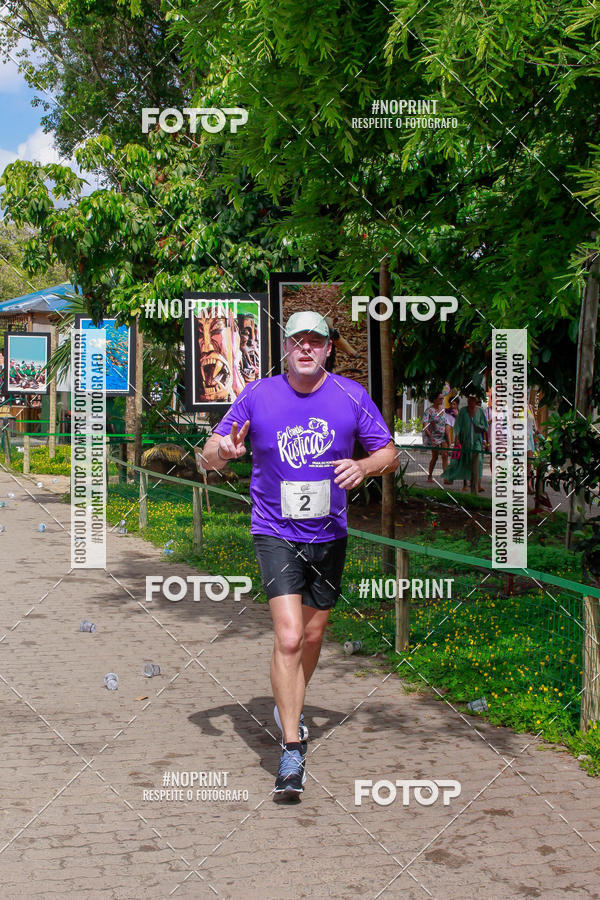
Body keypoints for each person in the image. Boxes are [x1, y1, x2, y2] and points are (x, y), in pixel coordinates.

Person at [202, 310, 398, 800]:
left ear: (328, 348)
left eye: (316, 341)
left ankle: (290, 702)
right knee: (288, 638)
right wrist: (223, 450)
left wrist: (364, 466)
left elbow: (390, 453)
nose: (306, 348)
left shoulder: (351, 395)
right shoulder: (258, 394)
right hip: (274, 530)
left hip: (329, 533)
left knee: (312, 637)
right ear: (285, 348)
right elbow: (209, 451)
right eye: (297, 341)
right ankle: (291, 749)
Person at [442, 394, 489, 492]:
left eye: (473, 400)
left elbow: (485, 426)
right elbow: (458, 425)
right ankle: (465, 484)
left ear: (476, 401)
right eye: (469, 400)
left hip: (477, 442)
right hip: (465, 441)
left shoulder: (480, 411)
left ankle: (477, 485)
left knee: (478, 462)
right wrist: (457, 438)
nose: (470, 402)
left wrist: (483, 434)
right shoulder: (463, 411)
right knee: (465, 461)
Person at [421, 391, 449, 482]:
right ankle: (430, 475)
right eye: (440, 398)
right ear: (434, 400)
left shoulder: (443, 409)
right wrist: (428, 433)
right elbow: (425, 423)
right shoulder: (429, 410)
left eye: (442, 398)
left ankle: (446, 477)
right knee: (435, 456)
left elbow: (446, 421)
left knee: (445, 455)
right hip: (433, 436)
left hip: (443, 435)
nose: (442, 400)